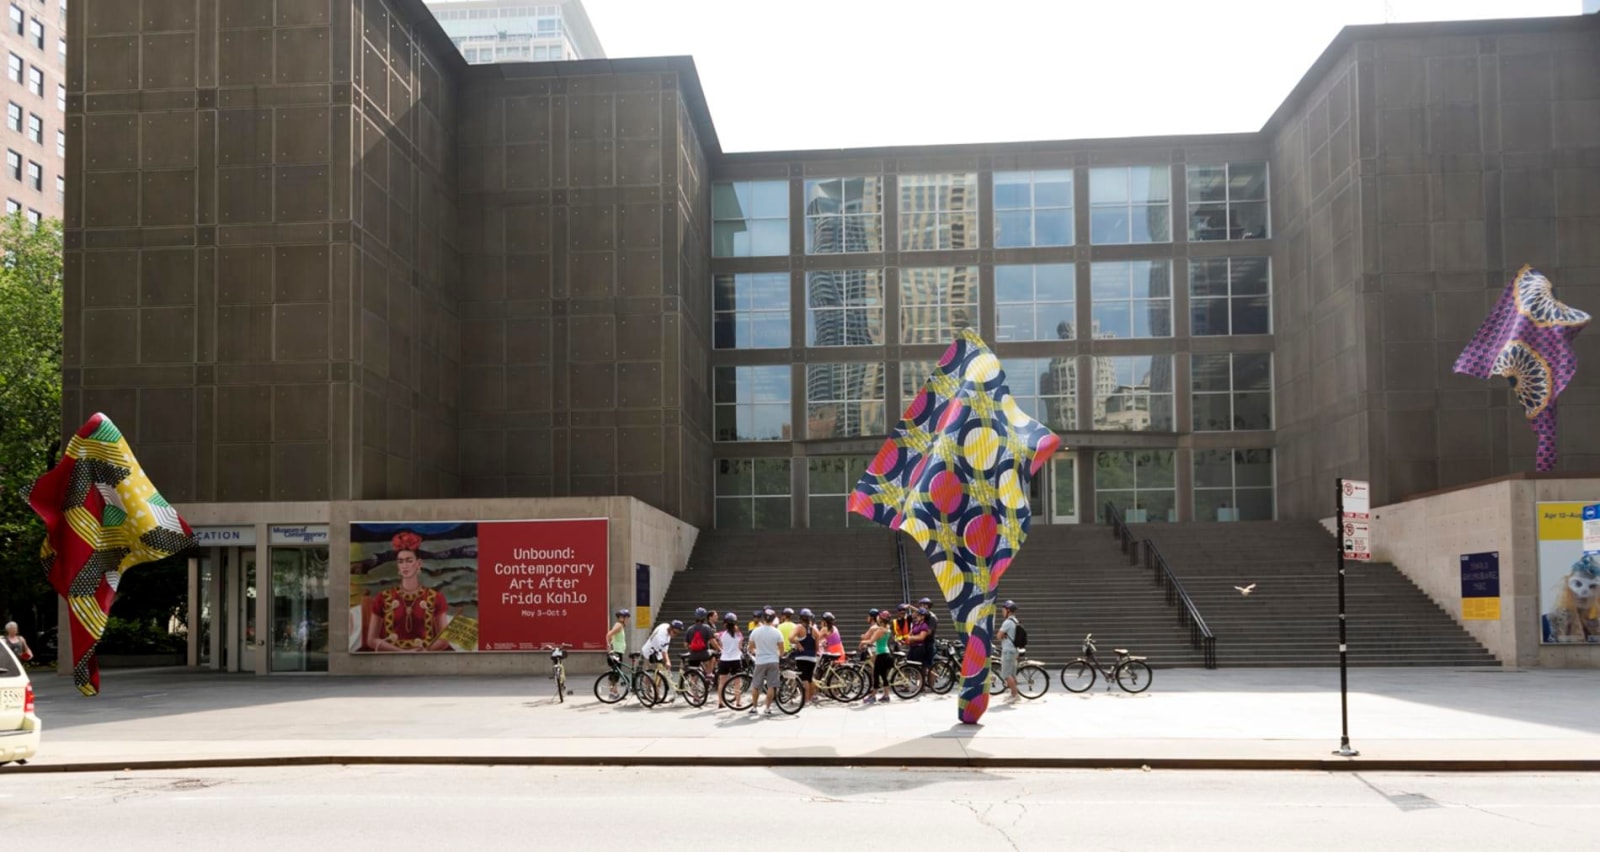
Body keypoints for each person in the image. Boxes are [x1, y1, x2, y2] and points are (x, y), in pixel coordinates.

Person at [366, 531, 452, 652]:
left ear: (419, 564)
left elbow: (444, 640)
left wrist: (426, 651)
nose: (404, 566)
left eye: (409, 560)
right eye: (400, 561)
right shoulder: (383, 597)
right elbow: (371, 640)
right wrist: (402, 652)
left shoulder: (436, 597)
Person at [746, 611, 784, 716]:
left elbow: (750, 647)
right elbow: (782, 650)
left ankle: (754, 708)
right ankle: (767, 708)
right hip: (773, 661)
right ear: (773, 619)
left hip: (760, 661)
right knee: (772, 685)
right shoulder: (777, 632)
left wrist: (757, 652)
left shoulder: (755, 631)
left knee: (756, 685)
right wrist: (777, 655)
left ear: (763, 619)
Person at [860, 609, 893, 704]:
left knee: (876, 676)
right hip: (886, 654)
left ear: (881, 620)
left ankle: (873, 696)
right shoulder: (887, 629)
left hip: (881, 655)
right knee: (883, 676)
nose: (877, 618)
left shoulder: (880, 630)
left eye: (879, 617)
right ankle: (886, 695)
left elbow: (871, 641)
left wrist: (862, 642)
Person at [712, 613, 744, 708]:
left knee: (722, 682)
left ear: (725, 623)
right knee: (737, 682)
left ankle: (720, 702)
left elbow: (718, 642)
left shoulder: (721, 635)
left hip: (724, 659)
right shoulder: (739, 635)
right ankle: (738, 702)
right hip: (736, 660)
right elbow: (740, 647)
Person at [997, 600, 1022, 703]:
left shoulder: (1007, 622)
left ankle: (1015, 695)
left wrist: (1003, 635)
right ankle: (1012, 694)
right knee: (1012, 674)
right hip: (1014, 651)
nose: (1002, 612)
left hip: (1008, 651)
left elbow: (999, 636)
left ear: (1008, 610)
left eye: (1003, 610)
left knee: (1006, 675)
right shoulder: (1016, 621)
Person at [793, 609, 819, 705]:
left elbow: (790, 637)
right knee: (810, 678)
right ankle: (811, 698)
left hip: (801, 657)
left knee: (804, 679)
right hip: (812, 658)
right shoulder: (815, 630)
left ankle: (806, 700)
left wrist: (798, 644)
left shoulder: (799, 627)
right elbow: (817, 647)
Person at [906, 607, 933, 688]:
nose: (916, 616)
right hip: (913, 647)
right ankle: (906, 685)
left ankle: (920, 686)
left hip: (919, 648)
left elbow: (921, 637)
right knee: (908, 665)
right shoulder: (916, 624)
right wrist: (911, 637)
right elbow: (910, 634)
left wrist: (911, 638)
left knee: (919, 668)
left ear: (923, 617)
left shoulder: (924, 626)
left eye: (918, 615)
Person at [684, 608, 716, 674]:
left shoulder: (690, 629)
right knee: (713, 655)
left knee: (694, 675)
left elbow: (685, 645)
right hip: (705, 654)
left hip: (693, 656)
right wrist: (720, 649)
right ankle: (709, 673)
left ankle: (694, 679)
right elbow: (713, 642)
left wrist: (692, 647)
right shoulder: (706, 627)